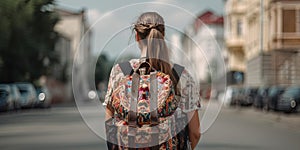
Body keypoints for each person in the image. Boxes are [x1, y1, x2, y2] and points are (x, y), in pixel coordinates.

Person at [104, 12, 201, 149]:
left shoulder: (119, 72)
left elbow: (109, 123)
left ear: (137, 36)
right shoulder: (181, 75)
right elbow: (195, 133)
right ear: (163, 35)